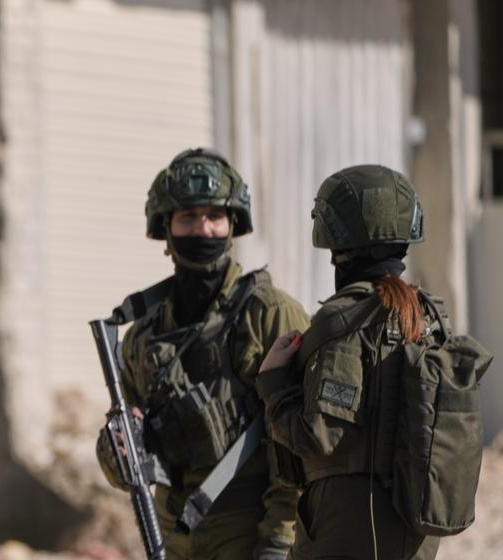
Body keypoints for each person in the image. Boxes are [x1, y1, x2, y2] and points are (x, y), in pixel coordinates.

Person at [256, 165, 488, 559]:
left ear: (334, 238)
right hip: (412, 533)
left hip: (348, 531)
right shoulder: (430, 318)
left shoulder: (345, 320)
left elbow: (319, 435)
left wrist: (274, 383)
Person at [95, 148, 309, 559]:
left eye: (214, 217)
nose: (203, 229)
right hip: (169, 529)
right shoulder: (143, 333)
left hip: (248, 525)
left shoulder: (269, 314)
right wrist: (117, 450)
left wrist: (278, 543)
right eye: (188, 217)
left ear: (233, 225)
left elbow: (303, 449)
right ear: (167, 227)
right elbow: (125, 453)